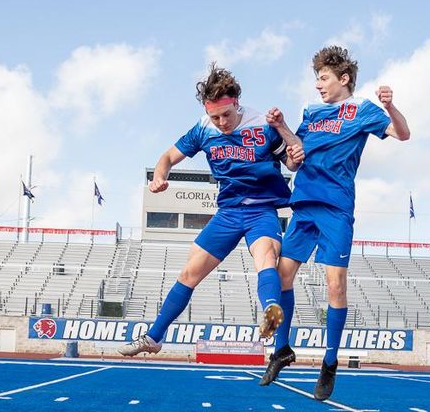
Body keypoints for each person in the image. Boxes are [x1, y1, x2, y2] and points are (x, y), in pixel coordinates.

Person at [119, 65, 303, 357]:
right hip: (228, 213)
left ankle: (271, 311)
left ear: (236, 103)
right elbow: (167, 157)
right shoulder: (203, 128)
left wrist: (292, 149)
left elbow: (291, 164)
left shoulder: (263, 124)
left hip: (261, 210)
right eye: (215, 117)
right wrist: (159, 177)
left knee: (267, 257)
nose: (221, 122)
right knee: (189, 272)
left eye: (226, 115)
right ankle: (153, 337)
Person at [259, 45, 410, 400]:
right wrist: (282, 128)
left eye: (323, 78)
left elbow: (402, 134)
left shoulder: (362, 109)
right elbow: (295, 156)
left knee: (335, 285)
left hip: (336, 207)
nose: (318, 85)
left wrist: (390, 106)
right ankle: (282, 350)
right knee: (282, 275)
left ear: (344, 79)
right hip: (303, 204)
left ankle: (329, 363)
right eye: (317, 79)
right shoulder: (311, 111)